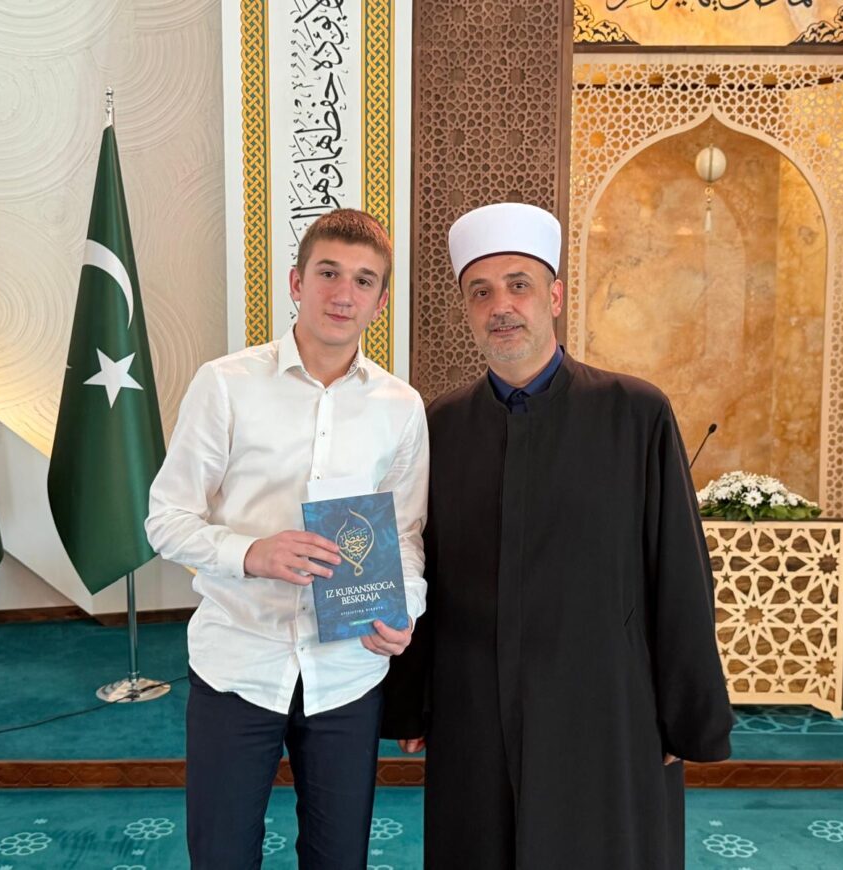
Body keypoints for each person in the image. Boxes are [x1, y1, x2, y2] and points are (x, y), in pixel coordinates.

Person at [383, 202, 732, 869]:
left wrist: (683, 716)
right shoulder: (440, 425)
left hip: (605, 704)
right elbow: (422, 562)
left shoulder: (635, 414)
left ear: (555, 297)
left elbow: (679, 574)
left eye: (518, 286)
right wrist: (412, 701)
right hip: (474, 703)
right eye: (480, 292)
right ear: (466, 310)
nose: (501, 307)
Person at [146, 209, 427, 869]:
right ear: (297, 282)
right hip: (238, 662)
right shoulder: (226, 385)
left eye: (363, 280)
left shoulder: (401, 407)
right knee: (221, 855)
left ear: (381, 302)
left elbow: (405, 534)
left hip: (347, 672)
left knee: (339, 858)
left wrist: (404, 609)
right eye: (328, 273)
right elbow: (166, 519)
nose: (343, 294)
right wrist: (251, 553)